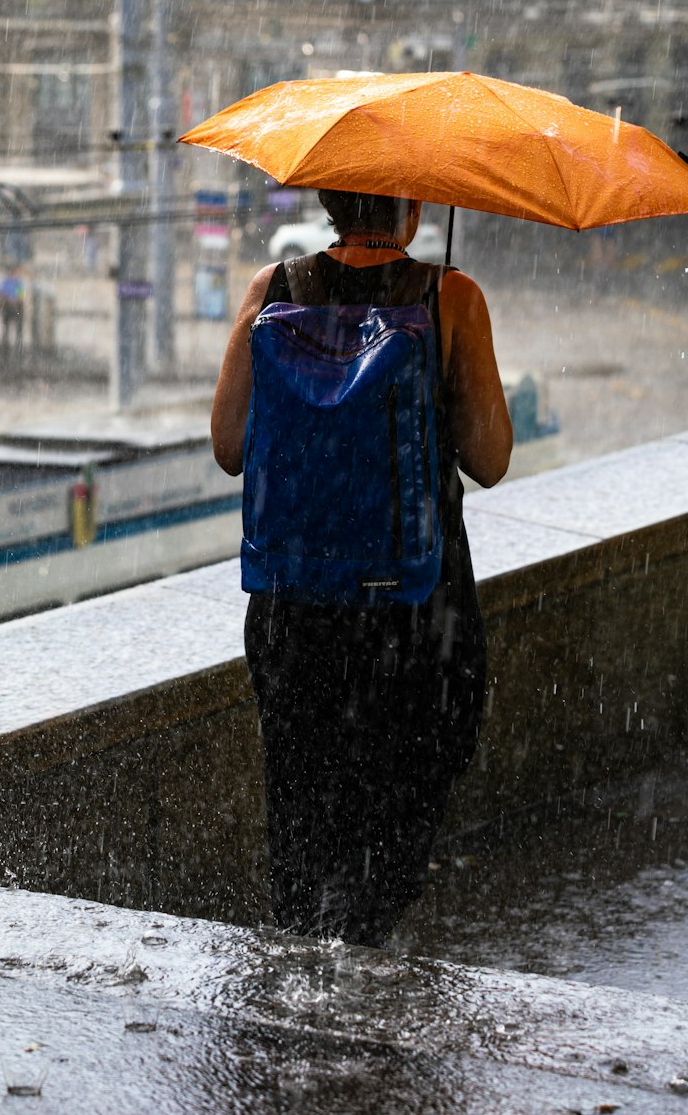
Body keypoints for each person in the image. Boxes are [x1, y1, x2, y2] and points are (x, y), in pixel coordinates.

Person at [211, 189, 512, 947]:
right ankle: (363, 949)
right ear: (410, 209)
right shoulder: (452, 296)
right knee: (402, 802)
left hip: (295, 604)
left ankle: (303, 966)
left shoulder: (272, 291)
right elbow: (491, 459)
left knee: (302, 803)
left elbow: (228, 447)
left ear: (327, 200)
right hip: (417, 614)